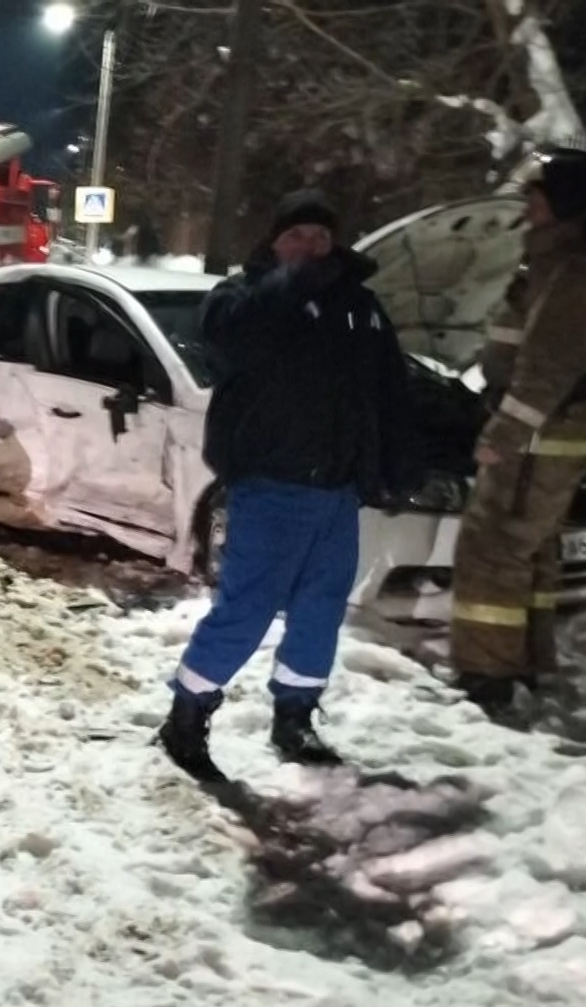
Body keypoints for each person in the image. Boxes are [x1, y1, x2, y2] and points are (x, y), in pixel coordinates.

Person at [159, 190, 419, 784]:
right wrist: (291, 285)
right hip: (271, 488)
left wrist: (399, 463)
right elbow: (228, 342)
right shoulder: (241, 298)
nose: (311, 246)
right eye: (297, 235)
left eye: (322, 238)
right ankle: (186, 716)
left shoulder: (360, 308)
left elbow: (389, 391)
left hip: (336, 493)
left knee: (320, 611)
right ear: (273, 243)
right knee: (245, 609)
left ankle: (295, 717)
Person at [448, 147, 586, 713]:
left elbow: (546, 370)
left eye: (536, 195)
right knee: (529, 552)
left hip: (539, 437)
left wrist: (501, 436)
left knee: (492, 549)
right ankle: (524, 663)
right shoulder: (555, 260)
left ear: (565, 203)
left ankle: (485, 675)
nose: (527, 204)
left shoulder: (573, 271)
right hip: (548, 432)